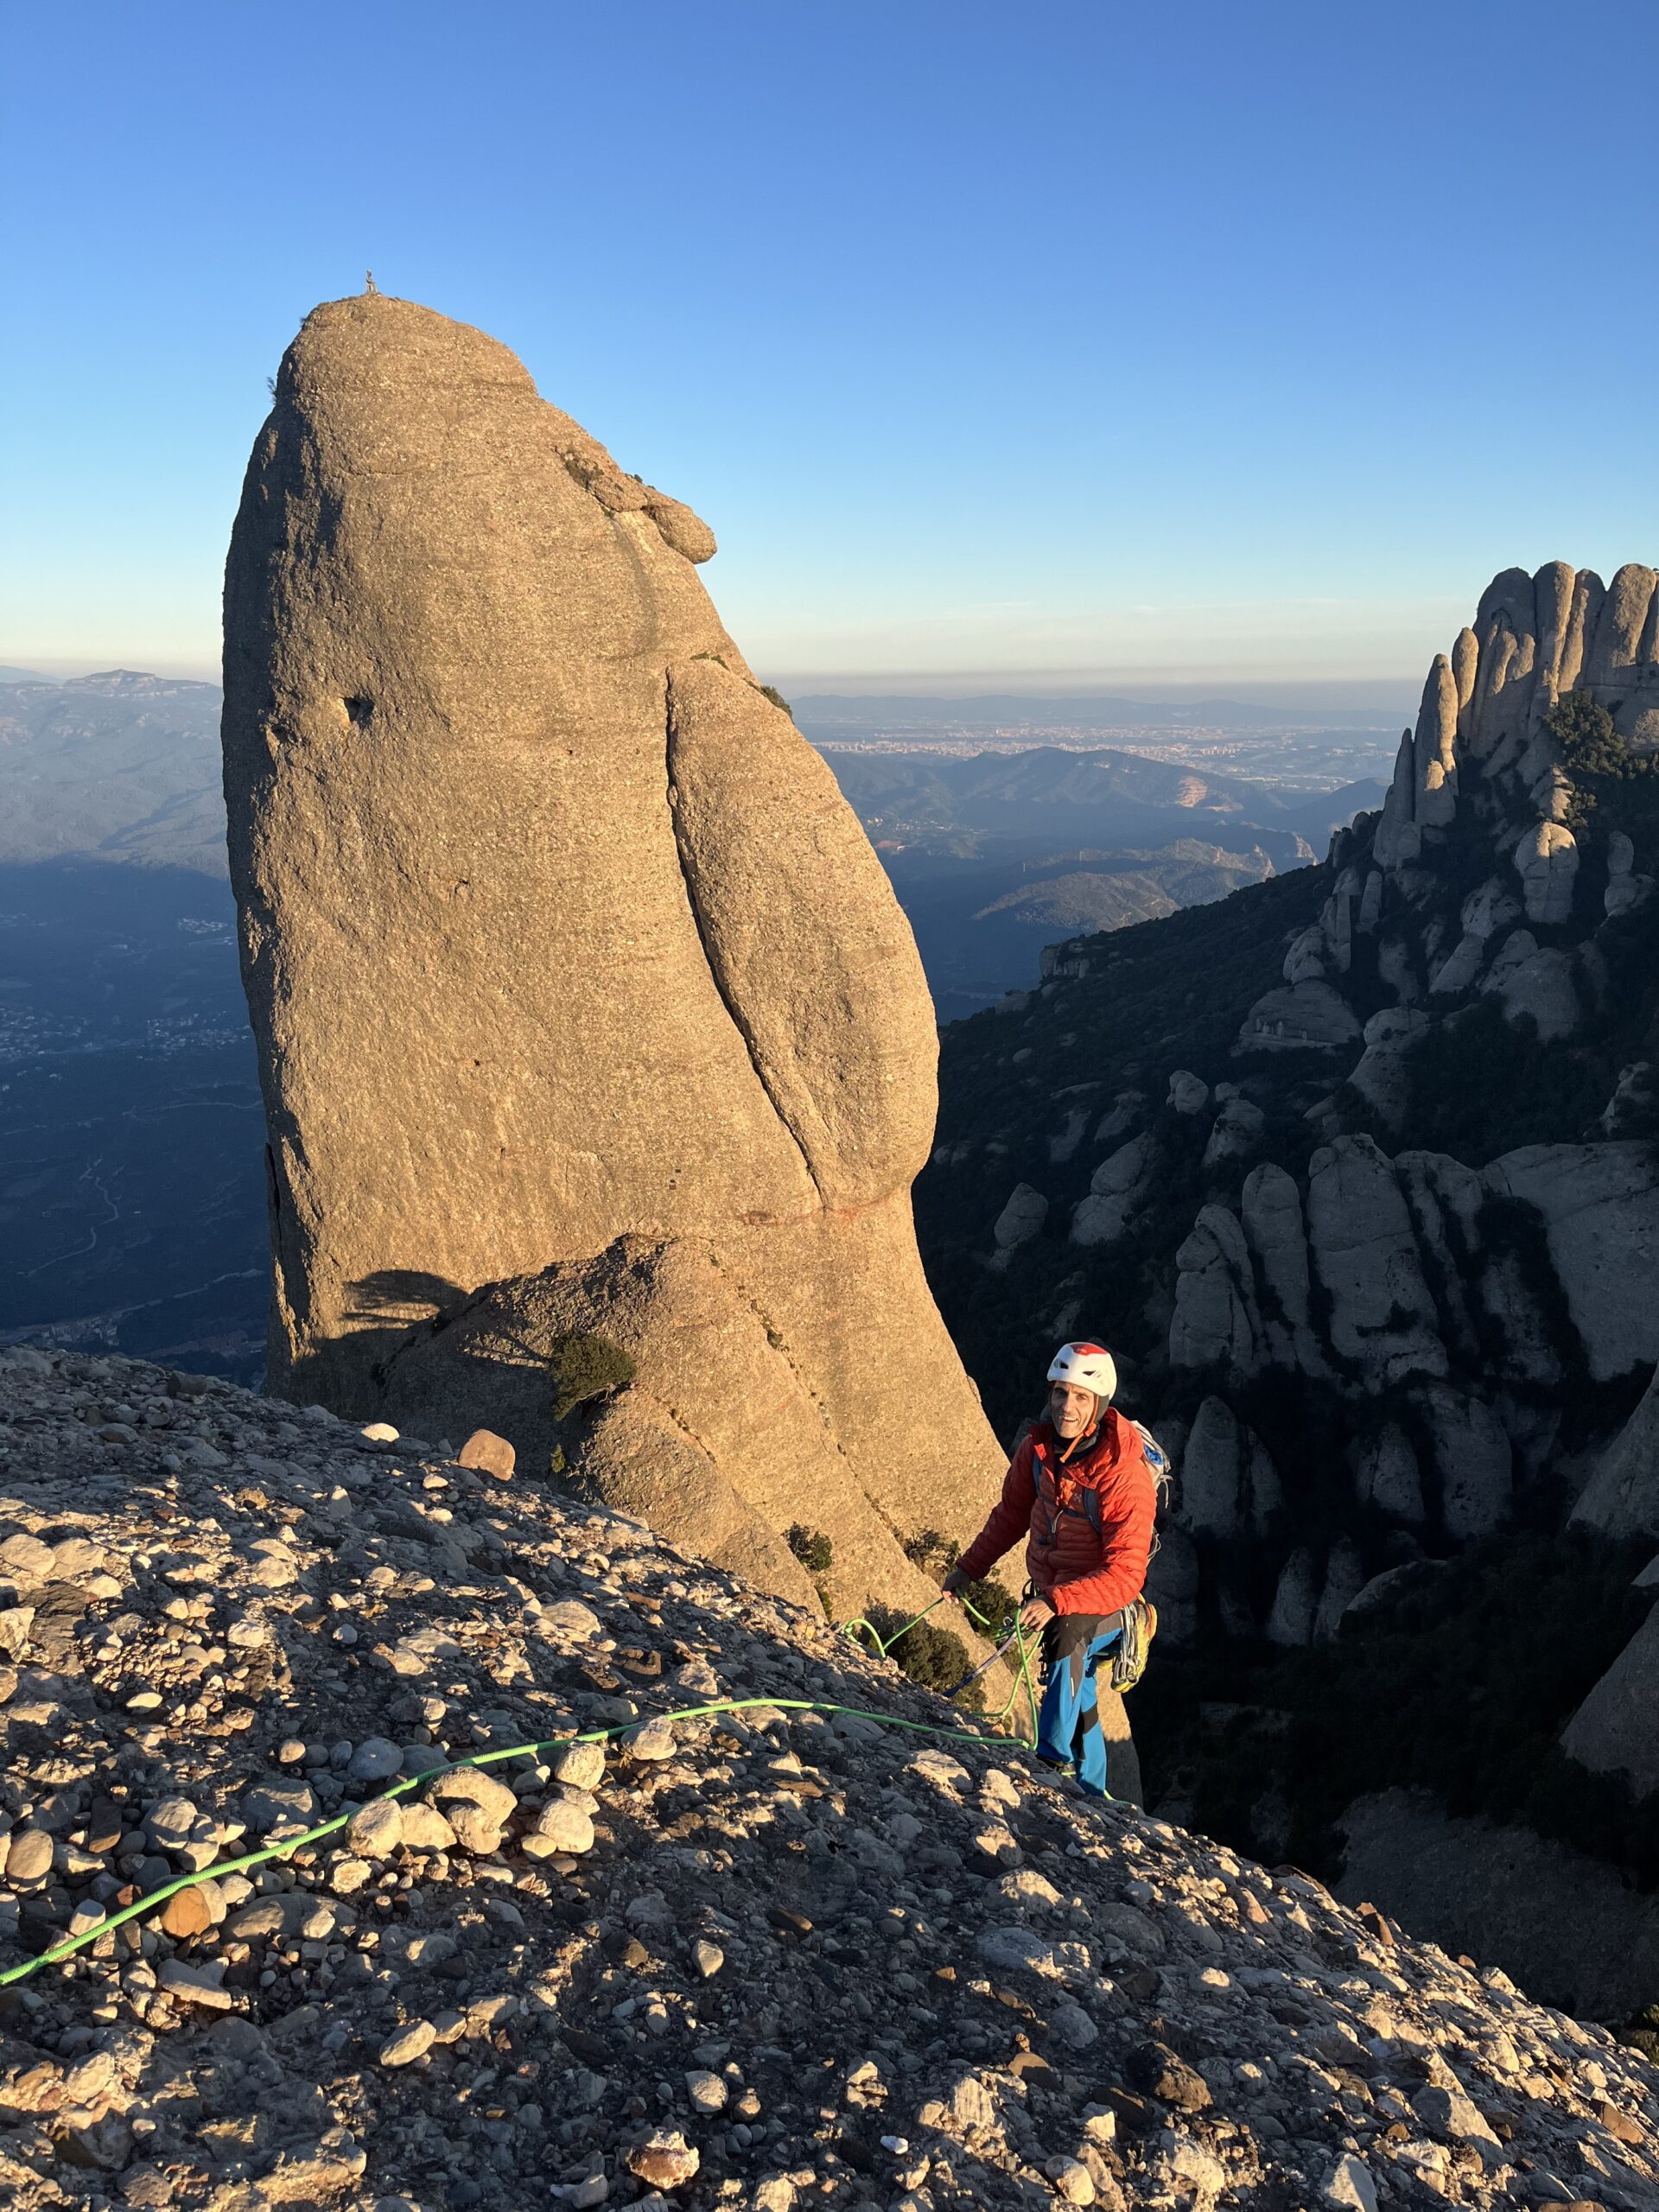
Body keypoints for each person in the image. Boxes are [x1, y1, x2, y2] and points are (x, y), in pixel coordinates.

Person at [944, 1340, 1156, 1797]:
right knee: (1079, 1692)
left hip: (1111, 1606)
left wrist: (1055, 1600)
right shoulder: (1037, 1453)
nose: (1066, 1406)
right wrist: (968, 1569)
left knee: (1068, 1634)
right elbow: (1011, 1516)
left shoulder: (1123, 1475)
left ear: (1098, 1405)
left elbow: (1125, 1573)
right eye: (1061, 1393)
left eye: (1081, 1397)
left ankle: (1052, 1762)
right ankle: (1094, 1794)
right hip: (1056, 1594)